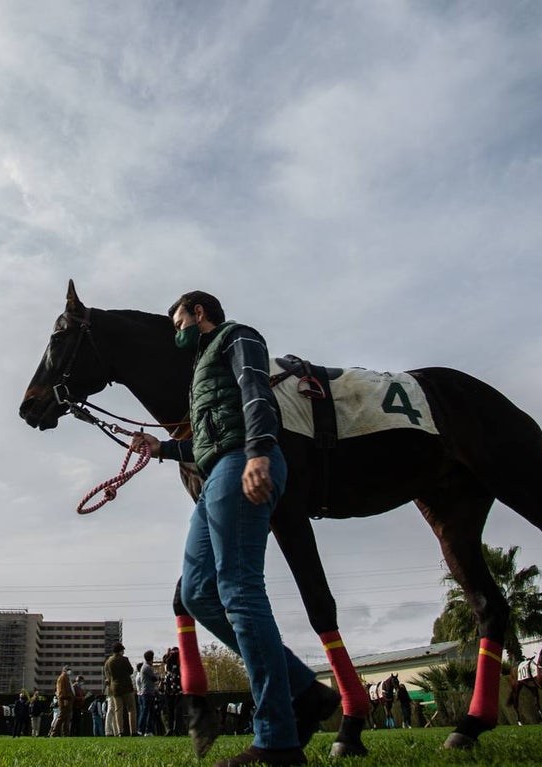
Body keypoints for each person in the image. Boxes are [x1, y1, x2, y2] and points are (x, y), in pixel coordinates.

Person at [133, 291, 334, 767]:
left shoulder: (237, 336)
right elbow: (206, 442)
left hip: (243, 460)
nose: (175, 329)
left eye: (177, 319)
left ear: (198, 313)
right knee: (199, 592)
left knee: (239, 589)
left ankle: (277, 742)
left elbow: (256, 393)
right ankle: (308, 691)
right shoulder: (201, 369)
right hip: (218, 468)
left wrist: (260, 451)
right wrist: (159, 448)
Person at [104, 642, 137, 736]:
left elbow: (108, 675)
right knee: (131, 709)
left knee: (118, 710)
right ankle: (133, 731)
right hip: (127, 687)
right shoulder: (124, 660)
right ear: (120, 650)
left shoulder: (108, 662)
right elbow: (130, 671)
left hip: (115, 688)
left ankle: (120, 732)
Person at [161, 647, 183, 735]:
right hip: (177, 687)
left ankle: (170, 728)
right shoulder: (178, 666)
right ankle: (177, 728)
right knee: (178, 709)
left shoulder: (167, 665)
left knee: (170, 709)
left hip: (168, 687)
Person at [49, 664, 75, 736]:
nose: (70, 671)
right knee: (62, 717)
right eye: (68, 669)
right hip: (64, 699)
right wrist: (65, 698)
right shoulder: (63, 678)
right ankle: (54, 733)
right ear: (64, 670)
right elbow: (62, 690)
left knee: (66, 718)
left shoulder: (66, 677)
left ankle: (65, 734)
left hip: (67, 699)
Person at [137, 650, 158, 735]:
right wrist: (158, 676)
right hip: (147, 693)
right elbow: (155, 678)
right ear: (151, 658)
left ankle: (147, 730)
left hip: (148, 692)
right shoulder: (147, 667)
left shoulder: (145, 667)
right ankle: (141, 730)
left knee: (149, 712)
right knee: (145, 712)